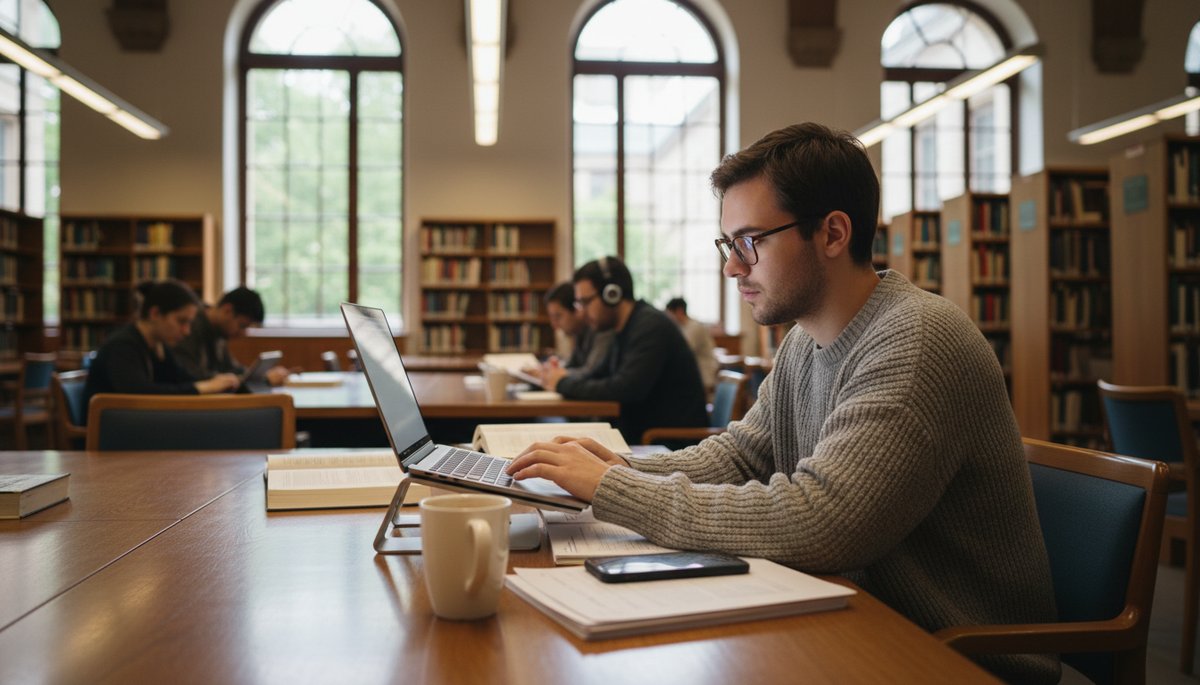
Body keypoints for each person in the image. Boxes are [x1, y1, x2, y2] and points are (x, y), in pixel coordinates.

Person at [508, 123, 1059, 683]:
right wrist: (619, 466)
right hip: (854, 621)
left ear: (833, 233)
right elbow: (743, 456)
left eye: (750, 241)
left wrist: (613, 491)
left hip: (950, 656)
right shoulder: (806, 339)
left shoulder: (916, 342)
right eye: (728, 245)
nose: (731, 267)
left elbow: (824, 522)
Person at [534, 256, 707, 444]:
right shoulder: (623, 328)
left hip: (665, 443)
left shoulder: (649, 326)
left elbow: (624, 388)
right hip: (639, 434)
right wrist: (558, 377)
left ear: (612, 294)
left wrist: (562, 383)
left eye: (586, 302)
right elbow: (598, 375)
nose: (582, 312)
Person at [82, 280, 241, 414]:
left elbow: (180, 379)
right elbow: (140, 395)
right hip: (108, 434)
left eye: (189, 323)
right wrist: (201, 388)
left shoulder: (159, 345)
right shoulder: (122, 346)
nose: (187, 331)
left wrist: (215, 381)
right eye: (181, 321)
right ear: (155, 314)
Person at [173, 286, 289, 386]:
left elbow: (232, 368)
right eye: (242, 326)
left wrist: (261, 375)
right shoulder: (189, 325)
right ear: (227, 310)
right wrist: (262, 380)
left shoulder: (219, 332)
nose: (243, 333)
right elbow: (192, 374)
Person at [542, 281, 612, 377]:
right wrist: (548, 372)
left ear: (577, 309)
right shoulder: (579, 332)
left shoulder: (601, 329)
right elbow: (572, 366)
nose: (554, 325)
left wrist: (555, 374)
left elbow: (591, 372)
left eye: (558, 317)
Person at [664, 297, 717, 393]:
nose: (668, 318)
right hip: (694, 373)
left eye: (669, 314)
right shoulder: (682, 327)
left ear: (679, 311)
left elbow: (682, 351)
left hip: (704, 374)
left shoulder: (694, 327)